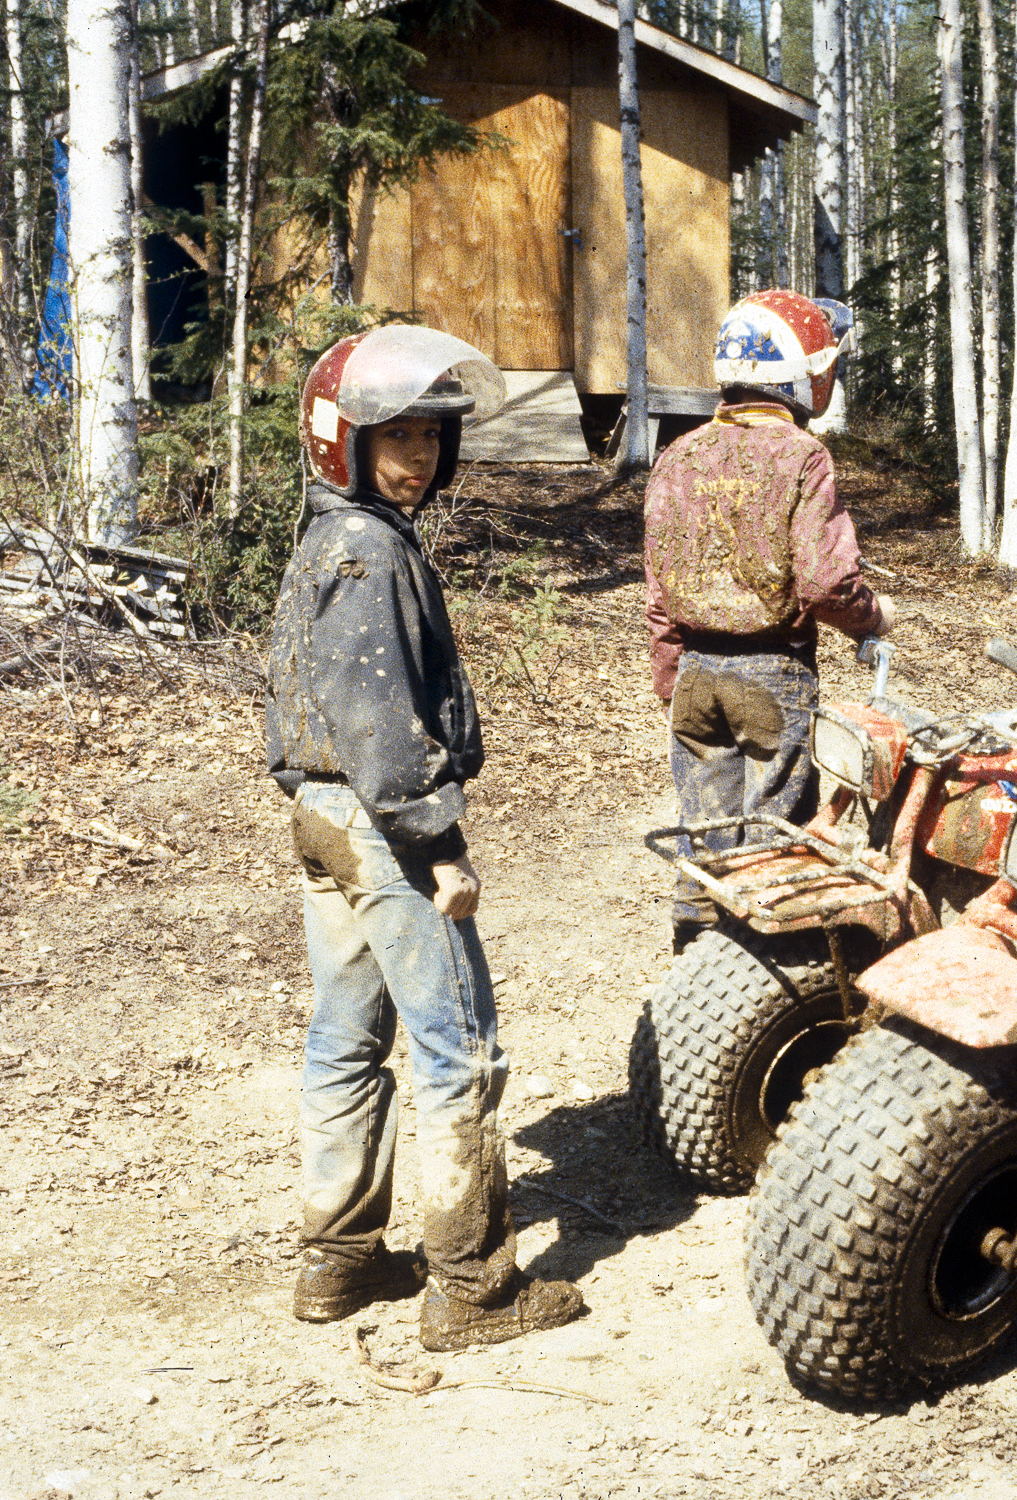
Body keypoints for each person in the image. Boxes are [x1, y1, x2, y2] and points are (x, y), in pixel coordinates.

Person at [264, 325, 582, 1351]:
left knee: (345, 1043)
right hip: (380, 826)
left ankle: (338, 1262)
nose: (417, 457)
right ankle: (472, 1290)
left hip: (323, 818)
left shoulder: (331, 537)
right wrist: (439, 844)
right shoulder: (365, 550)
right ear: (342, 442)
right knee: (460, 1049)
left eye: (430, 438)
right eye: (394, 436)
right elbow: (379, 723)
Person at [643, 291, 892, 951]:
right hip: (771, 672)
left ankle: (696, 949)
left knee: (703, 829)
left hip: (694, 669)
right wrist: (873, 618)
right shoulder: (801, 456)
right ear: (800, 373)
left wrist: (672, 680)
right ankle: (761, 963)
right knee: (774, 833)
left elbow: (659, 586)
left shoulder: (680, 456)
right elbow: (826, 580)